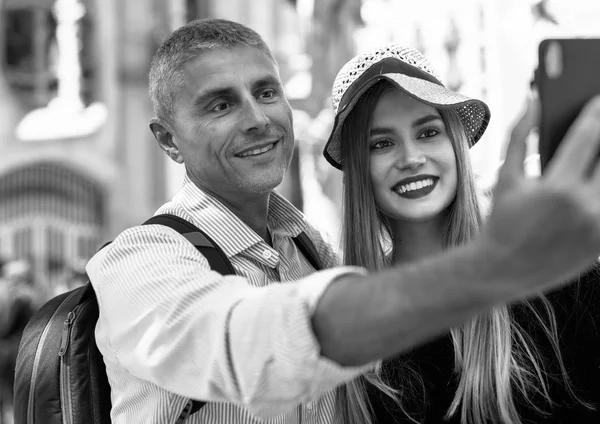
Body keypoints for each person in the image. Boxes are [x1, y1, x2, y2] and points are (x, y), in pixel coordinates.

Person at [86, 18, 600, 424]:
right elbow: (247, 347)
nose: (257, 119)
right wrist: (493, 267)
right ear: (168, 140)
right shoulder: (139, 259)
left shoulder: (311, 253)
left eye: (266, 92)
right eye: (220, 104)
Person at [323, 44, 600, 424]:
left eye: (428, 132)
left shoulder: (557, 273)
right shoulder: (349, 322)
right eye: (381, 143)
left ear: (456, 143)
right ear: (358, 169)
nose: (410, 158)